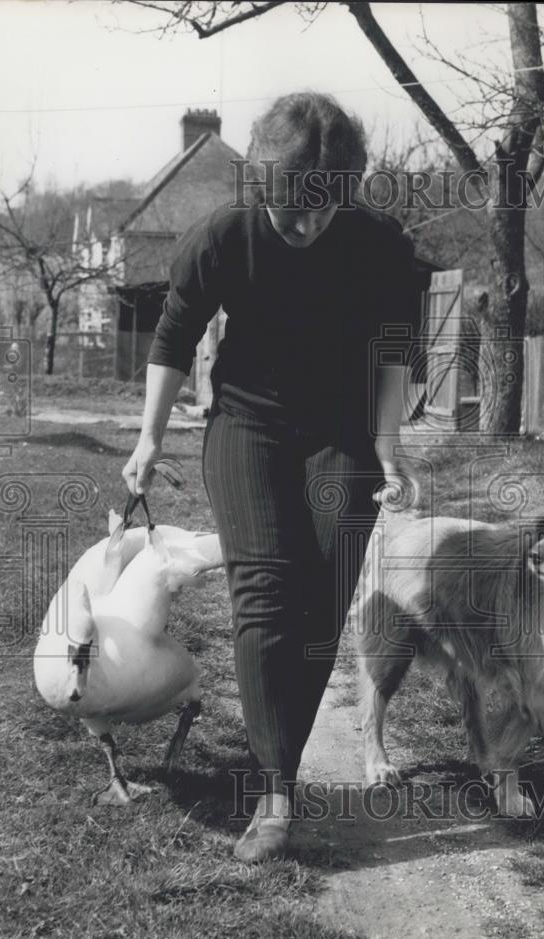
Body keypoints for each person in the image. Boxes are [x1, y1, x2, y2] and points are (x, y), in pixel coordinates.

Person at [122, 91, 419, 862]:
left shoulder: (380, 245)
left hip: (342, 432)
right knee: (264, 589)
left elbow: (392, 351)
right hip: (247, 426)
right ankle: (276, 791)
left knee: (321, 600)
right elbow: (174, 336)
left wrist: (386, 445)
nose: (308, 225)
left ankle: (279, 765)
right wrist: (149, 440)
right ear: (262, 186)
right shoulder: (224, 236)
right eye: (293, 211)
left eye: (325, 209)